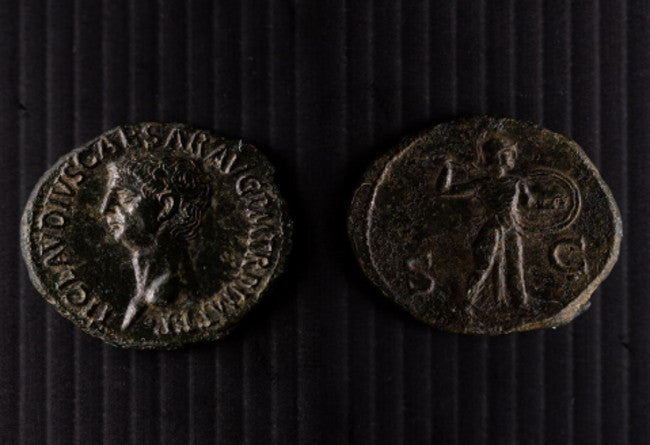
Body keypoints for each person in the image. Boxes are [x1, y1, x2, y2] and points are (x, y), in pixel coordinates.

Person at [99, 150, 211, 330]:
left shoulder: (173, 291)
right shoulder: (147, 285)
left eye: (125, 198)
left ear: (166, 207)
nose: (104, 209)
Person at [437, 135, 535, 312]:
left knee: (514, 267)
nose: (512, 158)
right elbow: (445, 191)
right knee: (483, 266)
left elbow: (529, 204)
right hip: (495, 228)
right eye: (509, 154)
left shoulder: (516, 182)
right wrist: (447, 169)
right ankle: (466, 303)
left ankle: (520, 304)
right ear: (499, 157)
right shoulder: (484, 183)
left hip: (511, 228)